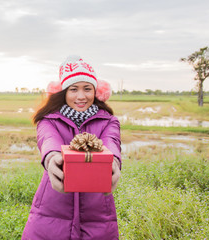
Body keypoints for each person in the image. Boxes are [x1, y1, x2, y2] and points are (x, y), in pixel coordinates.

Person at [22, 55, 122, 240]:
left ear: (97, 91)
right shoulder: (48, 120)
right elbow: (48, 140)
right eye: (73, 89)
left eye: (87, 89)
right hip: (53, 204)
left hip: (98, 207)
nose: (81, 96)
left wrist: (114, 161)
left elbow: (111, 142)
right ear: (63, 92)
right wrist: (52, 158)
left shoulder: (109, 120)